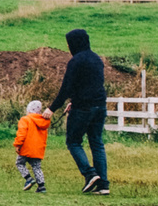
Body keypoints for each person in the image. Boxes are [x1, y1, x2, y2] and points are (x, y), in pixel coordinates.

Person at [48, 27, 110, 194]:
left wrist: (51, 108)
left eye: (69, 44)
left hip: (83, 108)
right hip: (100, 106)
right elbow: (90, 84)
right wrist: (72, 101)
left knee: (73, 142)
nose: (68, 48)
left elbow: (67, 87)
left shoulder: (76, 61)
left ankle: (90, 174)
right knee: (96, 143)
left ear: (74, 43)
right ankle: (103, 185)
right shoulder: (97, 59)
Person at [13, 99, 52, 192]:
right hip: (38, 149)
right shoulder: (44, 122)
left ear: (29, 110)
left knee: (19, 163)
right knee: (36, 166)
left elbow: (21, 133)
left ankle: (28, 179)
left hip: (26, 148)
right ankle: (41, 186)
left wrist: (18, 144)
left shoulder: (25, 119)